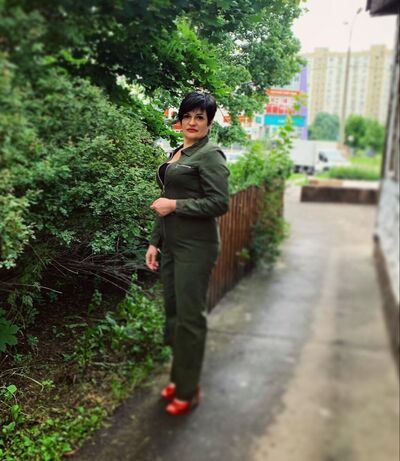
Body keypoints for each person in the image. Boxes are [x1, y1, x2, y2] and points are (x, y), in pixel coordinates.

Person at [145, 91, 230, 416]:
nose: (193, 122)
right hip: (171, 245)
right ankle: (179, 378)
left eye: (200, 117)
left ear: (209, 123)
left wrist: (175, 205)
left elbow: (219, 203)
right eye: (188, 116)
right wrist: (154, 242)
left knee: (190, 319)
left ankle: (187, 389)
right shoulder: (178, 152)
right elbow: (165, 198)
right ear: (179, 120)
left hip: (196, 248)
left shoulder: (210, 155)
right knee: (174, 315)